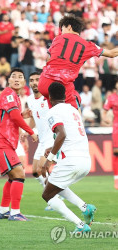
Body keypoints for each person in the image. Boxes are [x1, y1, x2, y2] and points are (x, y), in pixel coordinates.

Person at [41, 82, 96, 233]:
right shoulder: (73, 110)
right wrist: (52, 149)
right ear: (65, 96)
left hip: (71, 161)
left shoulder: (52, 112)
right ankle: (85, 207)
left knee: (47, 194)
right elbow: (71, 135)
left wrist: (50, 158)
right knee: (51, 183)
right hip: (85, 160)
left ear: (49, 97)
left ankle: (80, 225)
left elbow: (62, 134)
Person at [38, 14, 118, 110]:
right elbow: (112, 53)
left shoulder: (57, 39)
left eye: (62, 29)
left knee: (53, 113)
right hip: (63, 86)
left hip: (44, 82)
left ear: (69, 27)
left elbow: (48, 59)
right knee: (74, 111)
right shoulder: (88, 45)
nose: (61, 32)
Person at [0, 68, 37, 221]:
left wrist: (23, 115)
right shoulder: (9, 93)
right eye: (13, 76)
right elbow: (14, 117)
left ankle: (3, 211)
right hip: (0, 140)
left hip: (5, 141)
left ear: (23, 82)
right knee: (19, 173)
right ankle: (15, 213)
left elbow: (10, 116)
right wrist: (31, 131)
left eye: (20, 77)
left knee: (12, 176)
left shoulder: (14, 96)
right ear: (8, 81)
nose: (16, 79)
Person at [0, 88, 27, 186]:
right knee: (13, 169)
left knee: (21, 166)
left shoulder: (12, 105)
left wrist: (23, 136)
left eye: (0, 94)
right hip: (1, 140)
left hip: (14, 139)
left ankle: (15, 187)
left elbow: (16, 121)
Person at [25, 71, 54, 210]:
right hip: (42, 139)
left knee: (42, 168)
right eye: (32, 80)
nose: (34, 82)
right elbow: (32, 118)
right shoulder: (30, 100)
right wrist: (27, 131)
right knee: (35, 172)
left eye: (37, 79)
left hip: (51, 137)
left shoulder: (48, 97)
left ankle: (53, 198)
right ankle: (52, 193)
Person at [103, 81, 118, 189]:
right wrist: (106, 119)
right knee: (116, 153)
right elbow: (104, 111)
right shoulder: (112, 98)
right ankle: (116, 179)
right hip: (117, 128)